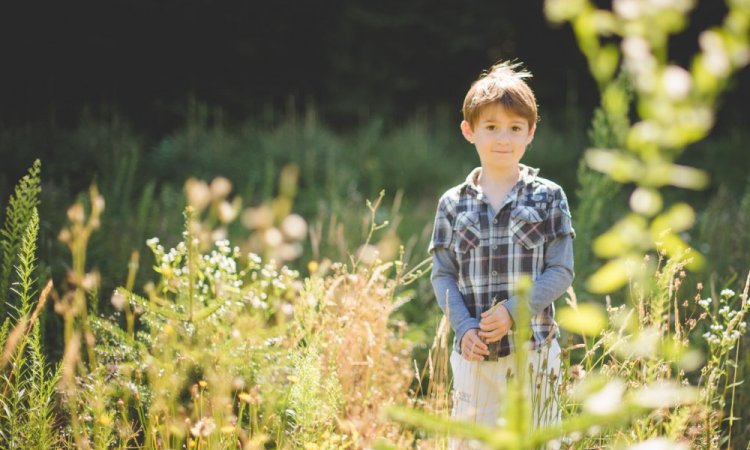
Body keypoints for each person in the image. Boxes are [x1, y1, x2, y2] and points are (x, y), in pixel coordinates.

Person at [429, 61, 575, 444]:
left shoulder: (549, 196)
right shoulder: (452, 203)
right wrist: (463, 328)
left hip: (535, 352)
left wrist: (513, 312)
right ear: (469, 131)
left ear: (530, 132)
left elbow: (561, 270)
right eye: (491, 127)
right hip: (474, 357)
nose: (503, 139)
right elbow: (442, 274)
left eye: (514, 128)